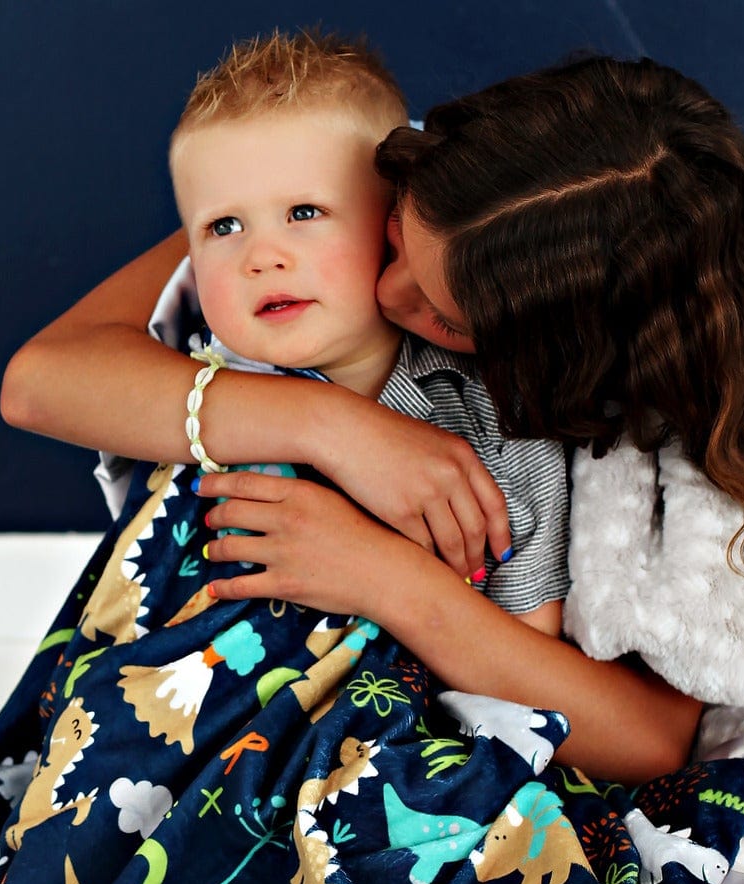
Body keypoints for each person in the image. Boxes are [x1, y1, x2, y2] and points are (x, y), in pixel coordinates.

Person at [2, 51, 744, 884]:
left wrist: (381, 574)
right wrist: (330, 425)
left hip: (444, 750)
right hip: (211, 745)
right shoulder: (306, 207)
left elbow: (627, 735)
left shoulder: (573, 441)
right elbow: (41, 381)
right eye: (394, 236)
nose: (389, 293)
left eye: (444, 315)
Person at [152, 30, 568, 628]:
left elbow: (527, 650)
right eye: (223, 227)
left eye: (303, 213)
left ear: (396, 216)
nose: (261, 258)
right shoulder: (174, 387)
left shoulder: (498, 425)